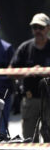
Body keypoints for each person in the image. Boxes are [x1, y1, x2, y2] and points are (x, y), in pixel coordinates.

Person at [10, 13, 50, 141]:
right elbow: (10, 72)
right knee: (30, 140)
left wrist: (46, 72)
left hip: (49, 100)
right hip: (30, 100)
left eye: (41, 27)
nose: (37, 30)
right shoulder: (25, 48)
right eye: (34, 27)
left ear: (48, 28)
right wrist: (29, 72)